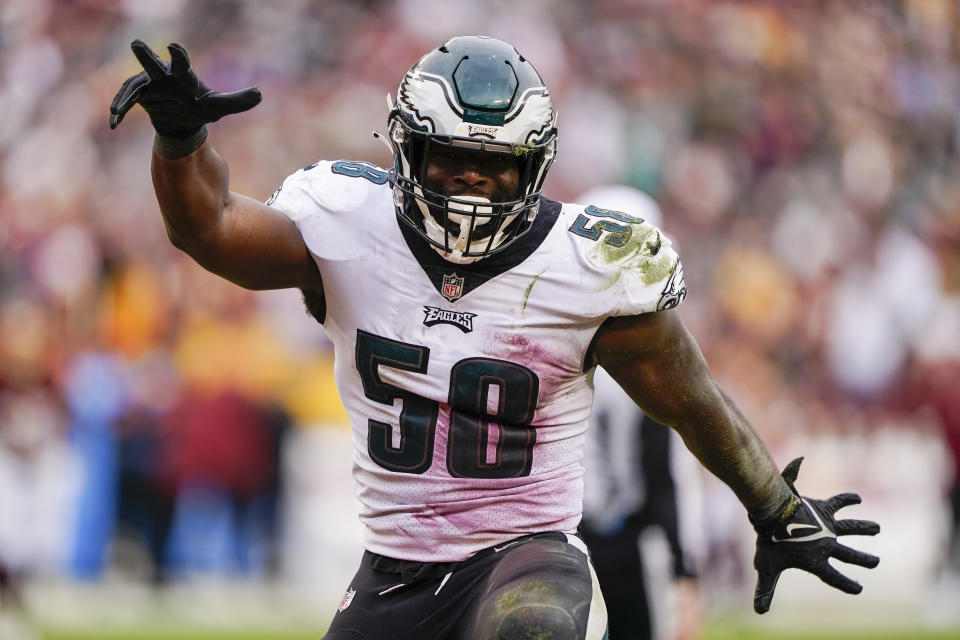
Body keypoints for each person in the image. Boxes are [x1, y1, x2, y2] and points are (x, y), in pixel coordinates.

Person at [109, 36, 880, 640]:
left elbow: (693, 401)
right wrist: (182, 141)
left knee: (531, 631)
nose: (472, 183)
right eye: (450, 161)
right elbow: (208, 227)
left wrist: (774, 505)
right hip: (394, 569)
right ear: (408, 150)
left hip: (526, 555)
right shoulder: (349, 225)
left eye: (495, 166)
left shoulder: (590, 266)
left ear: (535, 167)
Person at [577, 186, 703, 640]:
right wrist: (684, 570)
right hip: (618, 539)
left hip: (564, 538)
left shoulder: (550, 332)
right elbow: (668, 475)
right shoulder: (651, 352)